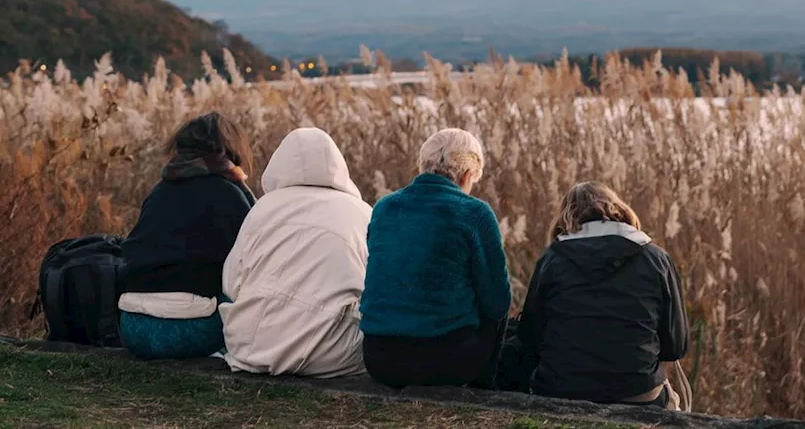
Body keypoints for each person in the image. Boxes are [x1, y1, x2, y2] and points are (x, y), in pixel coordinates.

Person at [359, 128, 512, 387]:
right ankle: (484, 390)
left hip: (379, 358)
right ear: (466, 175)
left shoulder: (384, 208)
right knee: (496, 303)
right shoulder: (474, 213)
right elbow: (497, 303)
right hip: (445, 361)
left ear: (423, 166)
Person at [516, 181, 688, 409]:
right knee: (674, 402)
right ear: (620, 209)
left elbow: (530, 336)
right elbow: (675, 347)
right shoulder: (656, 259)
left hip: (560, 388)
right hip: (638, 392)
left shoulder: (553, 259)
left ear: (567, 218)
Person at [220, 127, 373, 378]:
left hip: (252, 346)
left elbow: (232, 281)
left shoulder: (262, 209)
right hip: (331, 353)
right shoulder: (363, 213)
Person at [117, 112, 256, 360]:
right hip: (187, 332)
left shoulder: (159, 192)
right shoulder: (232, 195)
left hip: (132, 329)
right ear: (232, 150)